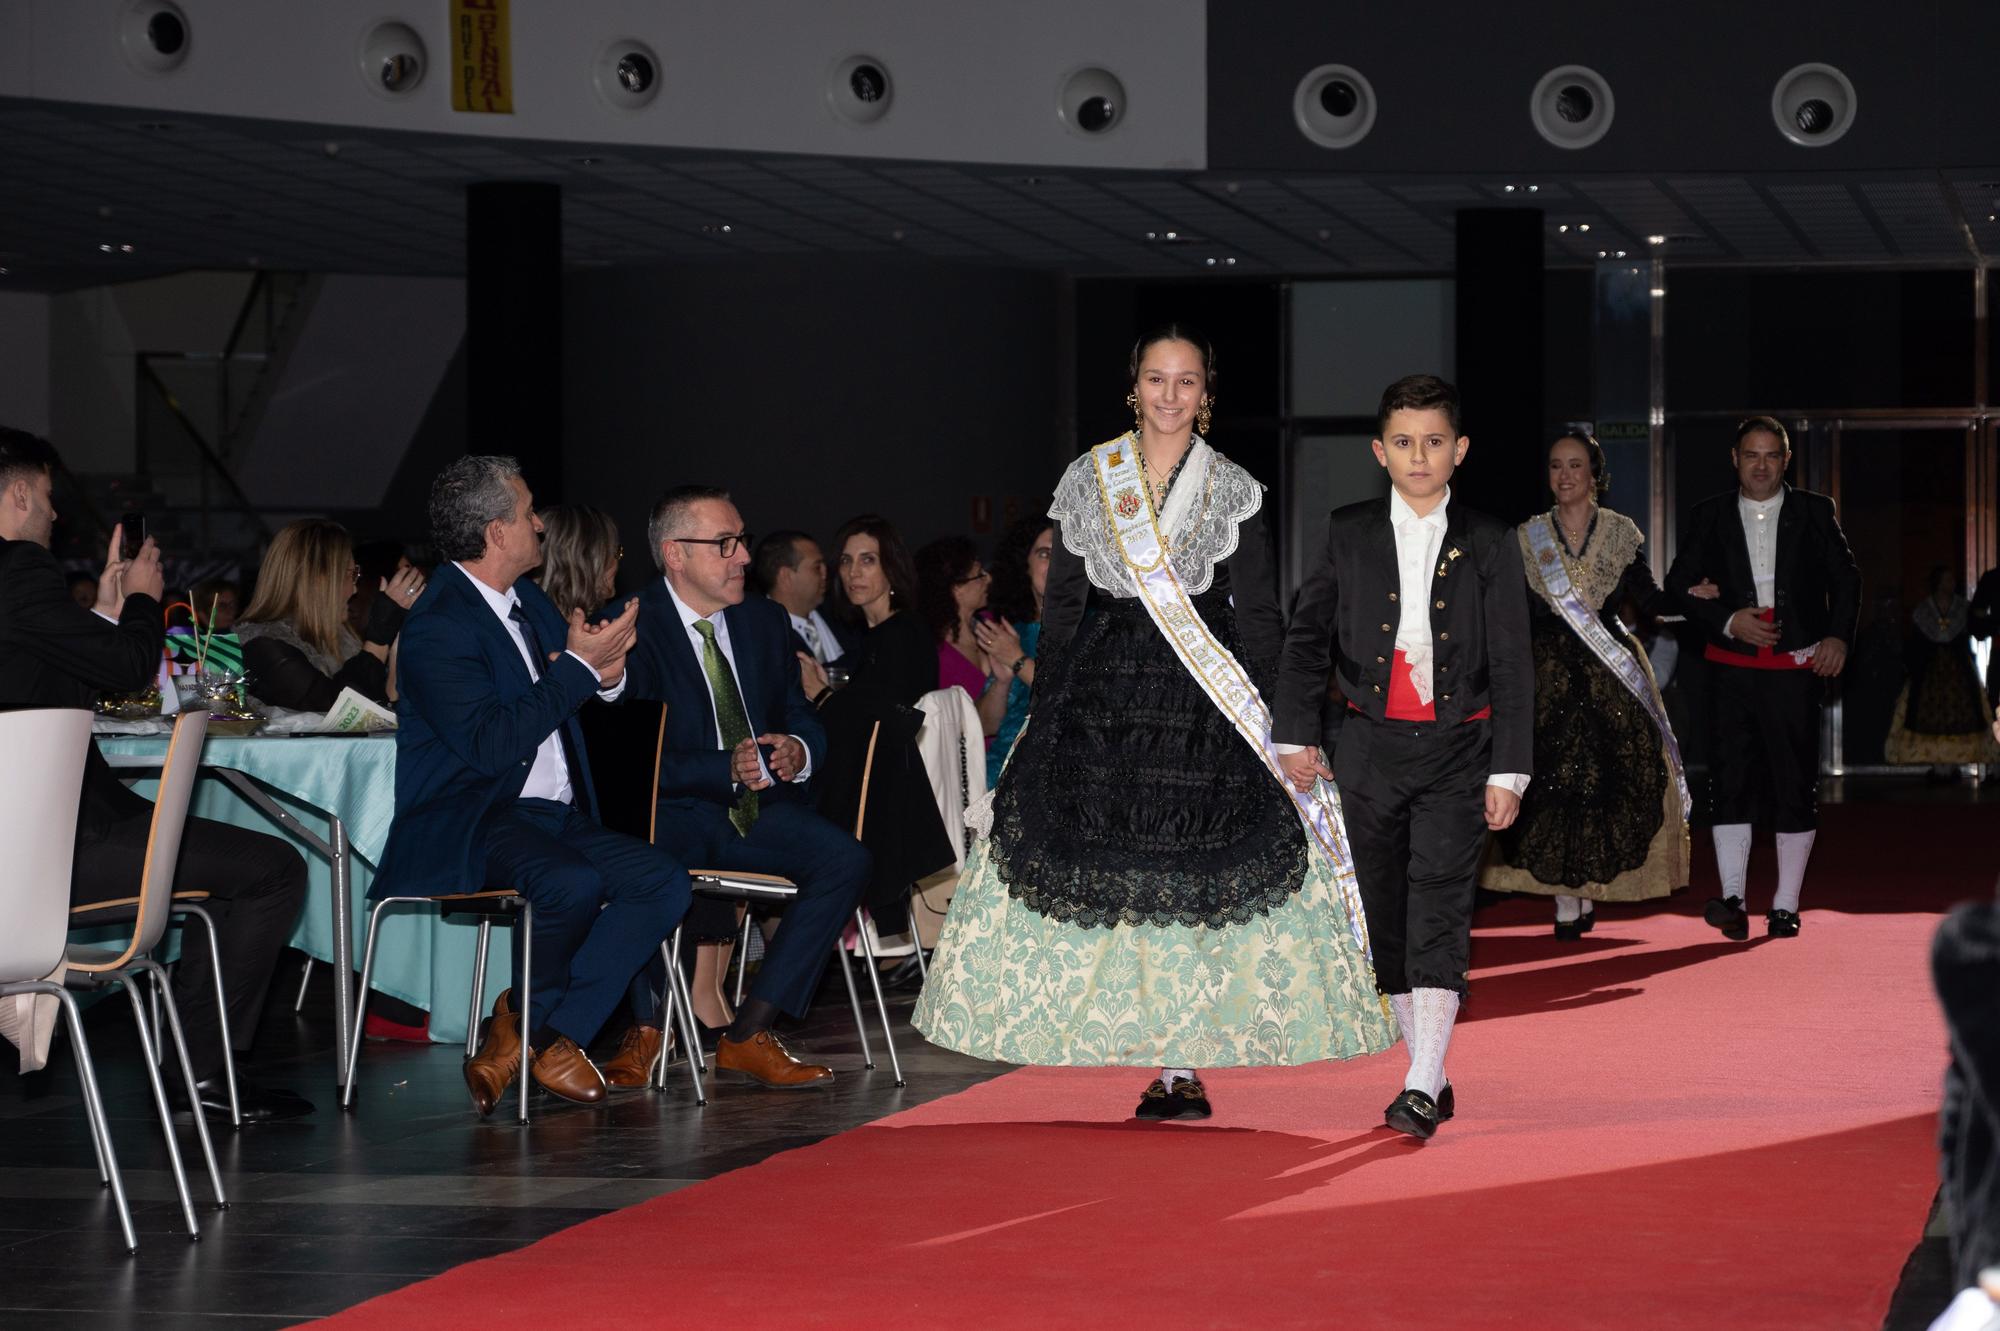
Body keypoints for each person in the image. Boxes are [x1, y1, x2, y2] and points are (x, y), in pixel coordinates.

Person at [916, 326, 1391, 1122]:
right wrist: (1048, 711)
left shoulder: (1234, 487)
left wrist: (1289, 722)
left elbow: (1263, 618)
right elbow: (1063, 609)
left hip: (1204, 708)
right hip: (1104, 703)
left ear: (1207, 395)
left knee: (1192, 881)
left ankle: (1185, 1063)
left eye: (1189, 381)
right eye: (1158, 379)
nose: (1172, 395)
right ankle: (1146, 1051)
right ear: (1134, 386)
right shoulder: (1087, 478)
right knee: (1126, 880)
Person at [0, 426, 313, 1121]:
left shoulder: (17, 595)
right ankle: (200, 1077)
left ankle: (197, 1075)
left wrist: (109, 609)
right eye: (49, 498)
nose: (55, 515)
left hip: (29, 848)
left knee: (226, 869)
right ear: (20, 495)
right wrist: (144, 598)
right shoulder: (18, 569)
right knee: (273, 868)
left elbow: (36, 671)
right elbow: (126, 668)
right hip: (47, 857)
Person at [374, 455, 691, 1115]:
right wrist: (577, 668)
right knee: (571, 883)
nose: (540, 522)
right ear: (496, 532)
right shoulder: (437, 626)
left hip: (554, 818)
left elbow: (572, 684)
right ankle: (540, 1033)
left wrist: (606, 672)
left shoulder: (529, 602)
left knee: (663, 880)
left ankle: (533, 1027)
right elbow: (491, 744)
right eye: (526, 511)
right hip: (476, 816)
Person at [1274, 373, 1534, 1141]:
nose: (1418, 456)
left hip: (1463, 749)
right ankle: (1433, 1065)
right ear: (1379, 451)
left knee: (1440, 905)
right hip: (1366, 750)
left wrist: (1509, 769)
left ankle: (1418, 1084)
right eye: (1402, 442)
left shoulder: (1490, 538)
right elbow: (1304, 639)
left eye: (1433, 442)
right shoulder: (1346, 530)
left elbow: (1517, 662)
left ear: (1458, 450)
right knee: (1383, 914)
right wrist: (1294, 735)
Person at [616, 485, 873, 1089]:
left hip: (754, 808)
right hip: (671, 808)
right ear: (675, 554)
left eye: (742, 541)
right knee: (644, 862)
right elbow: (631, 760)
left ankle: (749, 1031)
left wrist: (798, 748)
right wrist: (719, 768)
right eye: (725, 544)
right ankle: (646, 1027)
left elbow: (798, 712)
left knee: (846, 860)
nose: (743, 558)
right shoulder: (632, 625)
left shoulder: (763, 620)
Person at [1480, 433, 1689, 937]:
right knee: (1552, 784)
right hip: (1546, 675)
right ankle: (1566, 900)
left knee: (1603, 783)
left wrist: (1694, 601)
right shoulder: (1528, 537)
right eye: (1556, 466)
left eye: (1575, 466)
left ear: (1594, 474)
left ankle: (1588, 889)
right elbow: (1517, 614)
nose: (1565, 475)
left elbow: (1650, 598)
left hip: (1608, 680)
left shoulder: (1621, 532)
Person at [1665, 416, 1860, 942]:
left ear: (1786, 460)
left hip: (1795, 670)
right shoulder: (1708, 516)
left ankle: (1785, 904)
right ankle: (1732, 898)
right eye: (1751, 454)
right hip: (1730, 671)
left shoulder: (1816, 511)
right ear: (1735, 458)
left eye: (1771, 455)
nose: (1760, 465)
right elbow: (1677, 584)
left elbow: (1847, 580)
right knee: (1728, 782)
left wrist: (1838, 637)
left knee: (1793, 784)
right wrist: (1728, 617)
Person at [803, 514, 955, 944]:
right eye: (847, 561)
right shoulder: (870, 639)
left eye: (867, 560)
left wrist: (821, 696)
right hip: (884, 793)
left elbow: (881, 722)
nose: (853, 572)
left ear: (891, 567)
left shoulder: (902, 633)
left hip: (885, 800)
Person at [235, 519, 423, 712]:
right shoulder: (262, 647)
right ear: (320, 579)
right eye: (352, 574)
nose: (354, 589)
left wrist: (398, 636)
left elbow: (384, 708)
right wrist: (378, 636)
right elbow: (338, 712)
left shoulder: (343, 643)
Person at [1884, 566, 2000, 771]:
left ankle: (1957, 765)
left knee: (1961, 718)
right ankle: (1938, 767)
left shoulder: (1962, 607)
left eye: (1952, 580)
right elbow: (1915, 643)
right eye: (1947, 580)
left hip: (1959, 672)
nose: (1951, 584)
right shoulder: (1924, 610)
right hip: (1930, 672)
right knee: (1929, 718)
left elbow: (1977, 626)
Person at [915, 536, 1011, 743]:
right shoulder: (936, 653)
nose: (989, 579)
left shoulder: (990, 625)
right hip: (969, 762)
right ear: (957, 589)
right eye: (979, 575)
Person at [977, 516, 1051, 783]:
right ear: (1025, 565)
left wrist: (1018, 660)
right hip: (1001, 775)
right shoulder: (1014, 632)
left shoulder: (1093, 628)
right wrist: (1002, 681)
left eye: (1065, 556)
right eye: (1045, 554)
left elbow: (1071, 699)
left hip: (1051, 778)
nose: (1056, 565)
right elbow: (987, 725)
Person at [754, 531, 850, 669]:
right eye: (817, 567)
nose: (825, 573)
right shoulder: (763, 637)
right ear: (786, 577)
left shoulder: (843, 615)